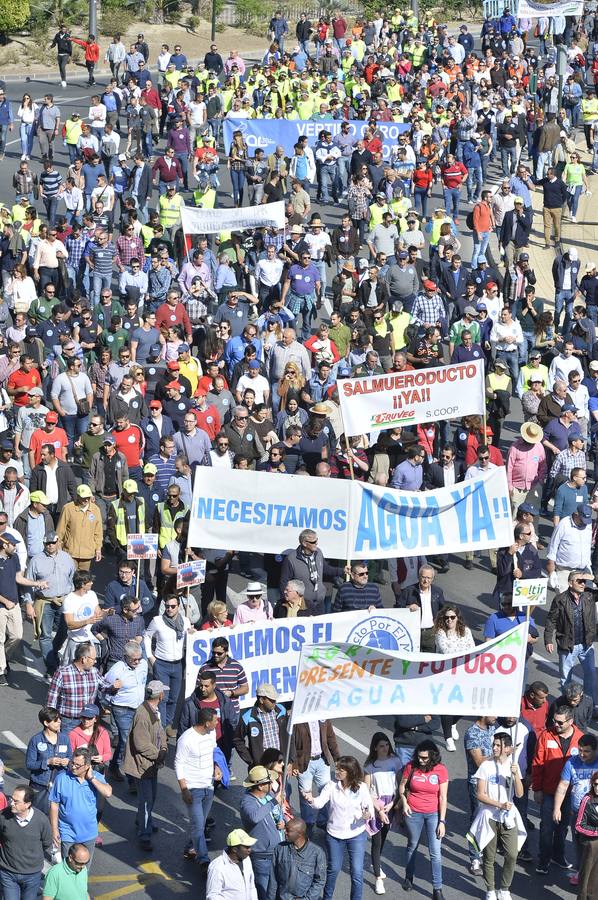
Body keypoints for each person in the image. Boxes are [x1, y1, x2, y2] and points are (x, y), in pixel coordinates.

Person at [303, 755, 374, 900]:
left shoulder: (362, 788)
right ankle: (327, 898)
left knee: (357, 872)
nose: (337, 772)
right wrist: (311, 799)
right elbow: (319, 803)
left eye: (340, 769)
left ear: (350, 771)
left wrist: (365, 814)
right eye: (337, 768)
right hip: (334, 835)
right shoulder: (331, 786)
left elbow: (369, 811)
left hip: (356, 835)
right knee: (333, 869)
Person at [471, 731, 524, 900]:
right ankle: (490, 890)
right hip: (489, 816)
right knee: (489, 856)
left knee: (512, 854)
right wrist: (499, 804)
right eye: (494, 744)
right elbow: (480, 794)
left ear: (508, 749)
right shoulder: (486, 766)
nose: (494, 747)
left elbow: (521, 794)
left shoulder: (512, 765)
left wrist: (515, 776)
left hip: (508, 817)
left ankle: (505, 888)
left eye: (498, 745)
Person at [532, 704, 583, 874]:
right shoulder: (546, 735)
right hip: (548, 791)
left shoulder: (580, 738)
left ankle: (558, 855)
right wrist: (537, 788)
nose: (557, 725)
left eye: (561, 722)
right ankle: (544, 859)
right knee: (547, 827)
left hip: (570, 794)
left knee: (563, 828)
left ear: (571, 721)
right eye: (555, 721)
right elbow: (538, 763)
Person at [396, 740, 447, 899]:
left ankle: (437, 889)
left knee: (435, 853)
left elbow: (443, 797)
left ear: (432, 757)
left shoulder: (441, 770)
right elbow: (402, 786)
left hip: (433, 814)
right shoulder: (411, 766)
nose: (421, 760)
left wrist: (442, 822)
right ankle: (409, 877)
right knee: (412, 845)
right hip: (413, 812)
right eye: (419, 757)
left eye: (425, 758)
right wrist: (404, 802)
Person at [122, 679, 169, 851]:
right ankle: (145, 834)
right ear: (160, 695)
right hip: (143, 765)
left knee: (151, 797)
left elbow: (160, 731)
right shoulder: (143, 715)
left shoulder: (153, 711)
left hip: (151, 764)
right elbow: (141, 744)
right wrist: (159, 755)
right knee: (147, 800)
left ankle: (142, 820)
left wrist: (163, 747)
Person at [174, 708, 221, 872]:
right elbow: (178, 763)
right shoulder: (186, 739)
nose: (217, 723)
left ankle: (190, 847)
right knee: (199, 825)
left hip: (209, 787)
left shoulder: (211, 734)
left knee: (198, 825)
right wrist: (184, 789)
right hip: (193, 789)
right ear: (207, 723)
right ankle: (203, 859)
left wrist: (216, 768)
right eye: (215, 720)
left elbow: (213, 753)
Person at [48, 747, 112, 863]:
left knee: (84, 870)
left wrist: (91, 778)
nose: (73, 767)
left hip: (89, 833)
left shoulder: (96, 777)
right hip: (68, 832)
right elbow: (54, 804)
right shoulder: (62, 779)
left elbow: (107, 793)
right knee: (68, 868)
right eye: (72, 763)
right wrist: (54, 829)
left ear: (87, 766)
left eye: (78, 765)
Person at [544, 569, 596, 701]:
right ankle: (566, 704)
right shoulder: (560, 600)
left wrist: (593, 578)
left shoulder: (589, 596)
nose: (583, 584)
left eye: (584, 581)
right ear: (570, 583)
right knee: (565, 677)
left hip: (586, 644)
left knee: (591, 675)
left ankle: (589, 703)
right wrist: (548, 639)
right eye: (579, 581)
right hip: (567, 645)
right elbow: (551, 620)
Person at [144, 593, 191, 736]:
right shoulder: (157, 621)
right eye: (167, 606)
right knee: (163, 697)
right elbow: (147, 636)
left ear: (178, 607)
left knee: (174, 698)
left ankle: (169, 723)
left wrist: (193, 633)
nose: (169, 609)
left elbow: (191, 638)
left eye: (173, 606)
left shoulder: (185, 621)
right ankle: (162, 727)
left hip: (178, 664)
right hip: (162, 664)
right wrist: (151, 658)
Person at [363, 732, 401, 894]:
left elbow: (400, 786)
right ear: (375, 748)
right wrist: (379, 809)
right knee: (377, 840)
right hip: (377, 805)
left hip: (390, 804)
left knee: (384, 835)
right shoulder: (370, 766)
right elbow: (366, 790)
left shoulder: (396, 762)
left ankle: (375, 862)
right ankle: (378, 878)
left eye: (386, 745)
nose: (385, 748)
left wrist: (393, 803)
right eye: (381, 746)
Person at [0, 784, 53, 899]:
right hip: (8, 873)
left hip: (32, 875)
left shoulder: (41, 820)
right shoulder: (3, 816)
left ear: (27, 804)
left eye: (16, 801)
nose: (11, 803)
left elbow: (47, 842)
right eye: (11, 799)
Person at [240, 766, 285, 900]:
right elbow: (254, 817)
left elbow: (277, 814)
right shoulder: (247, 802)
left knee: (279, 891)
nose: (272, 784)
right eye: (269, 782)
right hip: (262, 857)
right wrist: (273, 802)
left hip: (278, 852)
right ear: (260, 786)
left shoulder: (269, 795)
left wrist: (282, 822)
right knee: (265, 893)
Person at [434, 605, 475, 751]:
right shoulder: (440, 633)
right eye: (446, 618)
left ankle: (452, 723)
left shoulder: (466, 631)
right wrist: (462, 652)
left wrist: (463, 654)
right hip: (446, 675)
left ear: (457, 618)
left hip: (464, 674)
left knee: (467, 704)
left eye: (452, 617)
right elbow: (447, 652)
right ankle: (448, 738)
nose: (449, 620)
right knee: (447, 706)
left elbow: (472, 649)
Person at [292, 719, 339, 836]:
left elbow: (330, 737)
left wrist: (337, 758)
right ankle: (308, 823)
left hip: (322, 760)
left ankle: (323, 820)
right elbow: (290, 741)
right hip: (304, 762)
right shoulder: (298, 717)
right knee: (305, 795)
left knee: (326, 791)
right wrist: (293, 764)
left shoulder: (323, 716)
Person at [233, 683, 291, 770]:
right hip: (262, 767)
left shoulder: (281, 710)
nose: (275, 703)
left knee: (283, 784)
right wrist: (252, 761)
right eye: (271, 700)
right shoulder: (248, 717)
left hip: (281, 763)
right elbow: (237, 740)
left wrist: (291, 760)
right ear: (261, 700)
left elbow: (290, 734)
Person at [267, 817, 327, 900]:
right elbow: (273, 878)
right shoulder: (280, 849)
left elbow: (319, 881)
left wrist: (307, 899)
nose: (285, 832)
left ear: (300, 833)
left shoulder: (317, 853)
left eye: (288, 830)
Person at [207, 828, 258, 900]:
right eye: (246, 847)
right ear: (235, 849)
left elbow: (251, 886)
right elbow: (213, 896)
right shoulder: (217, 867)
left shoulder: (246, 859)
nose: (250, 850)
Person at [575, 771, 598, 899]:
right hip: (589, 845)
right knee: (585, 881)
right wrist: (596, 832)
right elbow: (579, 825)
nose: (597, 788)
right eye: (595, 784)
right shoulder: (587, 800)